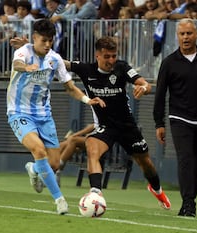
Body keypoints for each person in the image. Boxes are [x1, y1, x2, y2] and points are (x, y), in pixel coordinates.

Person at [7, 19, 105, 215]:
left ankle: (35, 170)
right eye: (43, 40)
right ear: (35, 38)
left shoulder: (55, 59)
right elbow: (17, 63)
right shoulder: (24, 52)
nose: (47, 44)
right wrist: (26, 68)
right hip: (19, 112)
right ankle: (59, 200)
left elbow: (69, 87)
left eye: (50, 40)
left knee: (53, 164)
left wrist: (87, 100)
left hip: (44, 116)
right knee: (38, 150)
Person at [63, 36, 171, 210]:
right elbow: (62, 62)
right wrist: (33, 49)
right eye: (107, 56)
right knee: (92, 147)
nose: (111, 60)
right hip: (105, 127)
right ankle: (95, 193)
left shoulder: (121, 68)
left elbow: (145, 84)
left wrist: (143, 88)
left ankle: (156, 190)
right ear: (97, 55)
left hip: (127, 126)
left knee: (146, 163)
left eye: (114, 56)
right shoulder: (86, 69)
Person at [153, 18, 197, 217]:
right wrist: (159, 123)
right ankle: (188, 203)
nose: (185, 37)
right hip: (179, 118)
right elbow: (160, 94)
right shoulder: (169, 63)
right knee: (185, 158)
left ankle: (191, 198)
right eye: (182, 34)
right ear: (177, 36)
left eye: (189, 33)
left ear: (196, 34)